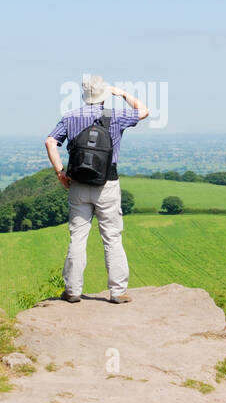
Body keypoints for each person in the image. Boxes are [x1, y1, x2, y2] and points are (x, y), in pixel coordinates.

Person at [44, 75, 149, 303]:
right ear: (104, 94)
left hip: (78, 185)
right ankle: (118, 291)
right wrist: (121, 93)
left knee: (77, 238)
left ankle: (72, 291)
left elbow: (50, 141)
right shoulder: (115, 116)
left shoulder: (71, 117)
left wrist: (60, 172)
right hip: (107, 184)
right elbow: (144, 111)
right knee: (112, 237)